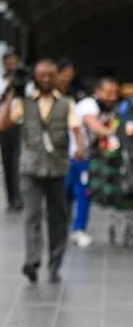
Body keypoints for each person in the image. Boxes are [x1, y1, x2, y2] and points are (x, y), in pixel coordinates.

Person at [0, 59, 86, 283]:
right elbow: (3, 124)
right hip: (31, 167)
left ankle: (55, 263)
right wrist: (11, 96)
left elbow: (75, 127)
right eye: (41, 75)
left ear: (56, 77)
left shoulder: (66, 103)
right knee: (32, 216)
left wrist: (80, 146)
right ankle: (32, 260)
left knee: (58, 217)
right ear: (35, 77)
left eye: (50, 75)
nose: (46, 80)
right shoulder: (24, 103)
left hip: (57, 167)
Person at [66, 77, 120, 248]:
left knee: (80, 193)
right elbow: (95, 127)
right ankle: (75, 230)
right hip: (75, 156)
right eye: (108, 93)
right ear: (98, 91)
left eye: (115, 93)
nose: (112, 97)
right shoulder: (89, 105)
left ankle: (75, 229)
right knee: (76, 193)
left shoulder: (107, 109)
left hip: (85, 156)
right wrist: (114, 134)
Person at [0, 52, 23, 211]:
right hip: (4, 124)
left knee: (17, 161)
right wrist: (8, 91)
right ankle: (11, 198)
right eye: (8, 63)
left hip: (21, 123)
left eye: (13, 63)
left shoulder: (24, 82)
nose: (11, 66)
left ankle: (19, 197)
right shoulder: (2, 82)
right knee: (8, 162)